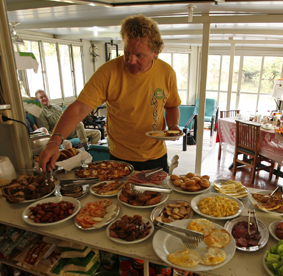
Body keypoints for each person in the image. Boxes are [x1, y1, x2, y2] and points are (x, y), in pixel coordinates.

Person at [38, 14, 181, 173]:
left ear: (155, 52)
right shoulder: (108, 72)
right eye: (127, 52)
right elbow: (78, 109)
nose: (130, 60)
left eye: (139, 55)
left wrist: (173, 126)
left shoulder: (166, 72)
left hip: (156, 156)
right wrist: (54, 142)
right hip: (120, 157)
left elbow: (172, 105)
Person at [34, 89, 101, 146]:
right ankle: (86, 146)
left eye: (45, 96)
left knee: (97, 133)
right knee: (79, 124)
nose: (44, 98)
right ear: (37, 100)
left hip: (74, 130)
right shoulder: (40, 112)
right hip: (64, 132)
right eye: (41, 97)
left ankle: (93, 153)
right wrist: (61, 136)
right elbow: (46, 132)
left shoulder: (56, 106)